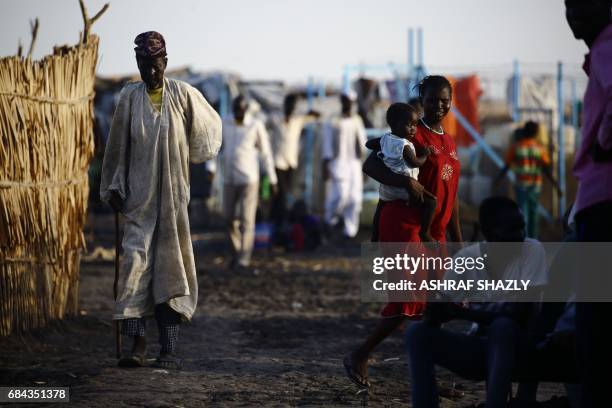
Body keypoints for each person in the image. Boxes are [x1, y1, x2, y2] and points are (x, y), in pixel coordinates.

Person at [99, 31, 222, 369]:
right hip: (138, 201)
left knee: (172, 273)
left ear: (164, 63)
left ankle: (167, 349)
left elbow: (210, 131)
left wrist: (195, 155)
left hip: (173, 204)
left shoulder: (183, 95)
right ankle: (135, 345)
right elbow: (116, 146)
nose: (150, 72)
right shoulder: (129, 97)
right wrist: (112, 185)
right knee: (134, 270)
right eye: (143, 65)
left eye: (155, 65)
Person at [344, 76, 462, 388]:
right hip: (408, 225)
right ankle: (360, 353)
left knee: (436, 307)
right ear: (421, 101)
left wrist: (458, 239)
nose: (439, 105)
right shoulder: (409, 131)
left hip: (434, 233)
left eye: (445, 99)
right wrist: (406, 182)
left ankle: (428, 377)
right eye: (433, 99)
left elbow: (452, 192)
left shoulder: (449, 142)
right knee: (409, 301)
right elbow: (372, 166)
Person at [406, 197, 549, 408]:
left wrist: (460, 313)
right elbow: (439, 310)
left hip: (522, 352)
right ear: (489, 233)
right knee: (416, 333)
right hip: (481, 349)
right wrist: (435, 308)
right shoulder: (467, 257)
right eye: (511, 230)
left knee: (502, 327)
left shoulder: (532, 249)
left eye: (521, 228)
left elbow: (521, 312)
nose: (519, 236)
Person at [565, 0, 612, 406]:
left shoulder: (607, 48)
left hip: (602, 199)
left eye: (583, 6)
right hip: (595, 199)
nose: (573, 16)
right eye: (568, 6)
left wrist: (603, 142)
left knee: (595, 315)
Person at [222, 95, 277, 269]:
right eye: (235, 109)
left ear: (245, 109)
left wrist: (272, 178)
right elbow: (217, 146)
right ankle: (236, 251)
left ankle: (243, 259)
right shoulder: (225, 123)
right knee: (228, 218)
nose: (238, 112)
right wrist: (211, 169)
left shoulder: (255, 125)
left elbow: (266, 153)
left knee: (247, 220)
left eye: (240, 109)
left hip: (249, 179)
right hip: (229, 178)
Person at [378, 102, 437, 241]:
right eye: (409, 125)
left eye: (415, 125)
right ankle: (425, 232)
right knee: (431, 201)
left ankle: (375, 236)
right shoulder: (404, 145)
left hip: (389, 189)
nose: (413, 129)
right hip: (406, 189)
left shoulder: (386, 138)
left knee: (380, 209)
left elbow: (370, 144)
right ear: (395, 124)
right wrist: (425, 155)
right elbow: (415, 162)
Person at [494, 121, 561, 238]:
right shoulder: (540, 149)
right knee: (534, 213)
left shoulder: (516, 147)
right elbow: (546, 169)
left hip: (521, 185)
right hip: (535, 185)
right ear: (536, 133)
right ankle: (533, 239)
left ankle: (523, 239)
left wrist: (498, 179)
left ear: (524, 132)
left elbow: (507, 166)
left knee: (522, 214)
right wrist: (556, 186)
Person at [269, 94, 320, 227]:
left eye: (293, 106)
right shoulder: (275, 119)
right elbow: (264, 126)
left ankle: (277, 221)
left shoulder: (298, 120)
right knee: (282, 193)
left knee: (283, 194)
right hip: (277, 162)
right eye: (289, 105)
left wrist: (311, 112)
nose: (291, 108)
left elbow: (316, 116)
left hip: (290, 163)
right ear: (285, 105)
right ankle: (280, 222)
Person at [322, 92, 367, 238]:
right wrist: (326, 164)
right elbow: (327, 144)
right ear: (342, 101)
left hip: (354, 164)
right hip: (338, 162)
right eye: (346, 101)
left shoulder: (356, 120)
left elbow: (363, 144)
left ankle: (350, 231)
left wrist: (364, 168)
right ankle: (330, 221)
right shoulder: (333, 120)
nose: (349, 104)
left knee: (355, 199)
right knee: (340, 195)